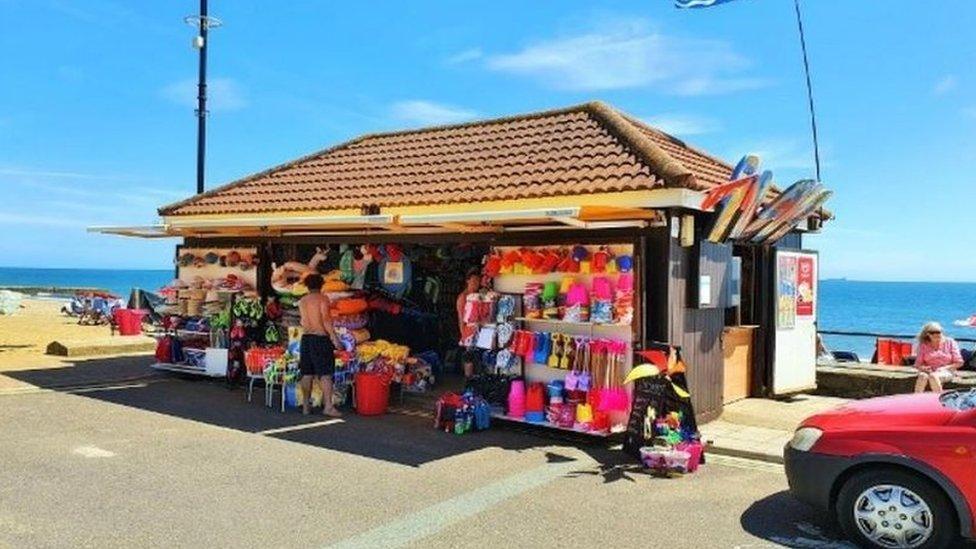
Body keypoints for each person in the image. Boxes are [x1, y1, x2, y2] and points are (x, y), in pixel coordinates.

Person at [298, 273, 343, 416]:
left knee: (307, 373)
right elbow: (326, 320)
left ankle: (305, 406)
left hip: (306, 338)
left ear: (307, 286)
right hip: (320, 339)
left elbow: (303, 321)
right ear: (321, 285)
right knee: (325, 374)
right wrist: (335, 339)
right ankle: (328, 407)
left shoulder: (302, 301)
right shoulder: (323, 299)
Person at [914, 321, 963, 393]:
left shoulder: (950, 342)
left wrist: (944, 368)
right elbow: (917, 364)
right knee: (922, 376)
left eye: (938, 332)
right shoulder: (924, 345)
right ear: (928, 334)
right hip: (929, 371)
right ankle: (916, 400)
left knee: (933, 376)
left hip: (947, 370)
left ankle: (939, 400)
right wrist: (924, 368)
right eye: (932, 332)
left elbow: (959, 362)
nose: (936, 334)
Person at [456, 269, 481, 379]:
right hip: (468, 330)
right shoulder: (463, 297)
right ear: (467, 281)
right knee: (469, 357)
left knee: (477, 356)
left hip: (478, 329)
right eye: (473, 281)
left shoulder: (478, 295)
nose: (476, 283)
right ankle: (468, 380)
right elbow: (461, 318)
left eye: (478, 281)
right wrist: (463, 334)